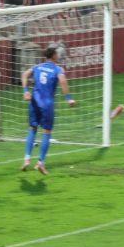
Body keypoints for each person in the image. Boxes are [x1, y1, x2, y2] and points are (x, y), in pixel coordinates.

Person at [20, 47, 76, 175]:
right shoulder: (58, 69)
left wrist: (25, 91)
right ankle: (40, 162)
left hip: (34, 101)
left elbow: (24, 74)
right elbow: (63, 82)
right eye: (57, 54)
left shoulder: (37, 66)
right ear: (54, 56)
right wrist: (68, 98)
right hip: (47, 104)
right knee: (46, 131)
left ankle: (27, 158)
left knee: (32, 128)